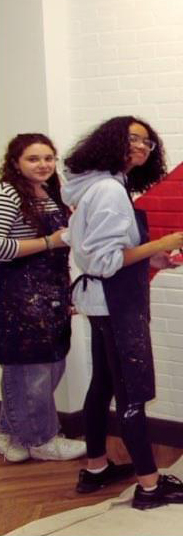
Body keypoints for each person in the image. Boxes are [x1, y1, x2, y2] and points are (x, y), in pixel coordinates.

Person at [62, 116, 183, 508]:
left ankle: (95, 468)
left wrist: (152, 259)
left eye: (147, 142)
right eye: (133, 139)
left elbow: (103, 254)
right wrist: (162, 243)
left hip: (102, 302)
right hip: (116, 305)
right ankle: (150, 487)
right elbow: (106, 261)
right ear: (112, 141)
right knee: (132, 394)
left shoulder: (99, 184)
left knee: (103, 385)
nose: (142, 146)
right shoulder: (109, 190)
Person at [0, 133, 85, 463]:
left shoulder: (52, 192)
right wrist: (49, 242)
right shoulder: (8, 193)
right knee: (30, 369)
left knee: (48, 365)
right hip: (17, 295)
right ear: (15, 162)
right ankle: (40, 440)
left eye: (48, 158)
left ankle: (13, 434)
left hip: (50, 291)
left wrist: (65, 293)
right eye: (33, 159)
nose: (43, 165)